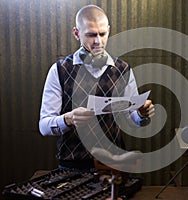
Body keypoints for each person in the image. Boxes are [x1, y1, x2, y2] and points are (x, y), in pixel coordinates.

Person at [39, 5, 154, 171]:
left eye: (102, 34)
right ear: (77, 33)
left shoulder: (123, 69)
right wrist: (68, 119)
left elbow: (132, 119)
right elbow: (44, 126)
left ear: (108, 30)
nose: (98, 41)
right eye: (91, 35)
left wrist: (141, 115)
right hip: (72, 165)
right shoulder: (59, 69)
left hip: (113, 165)